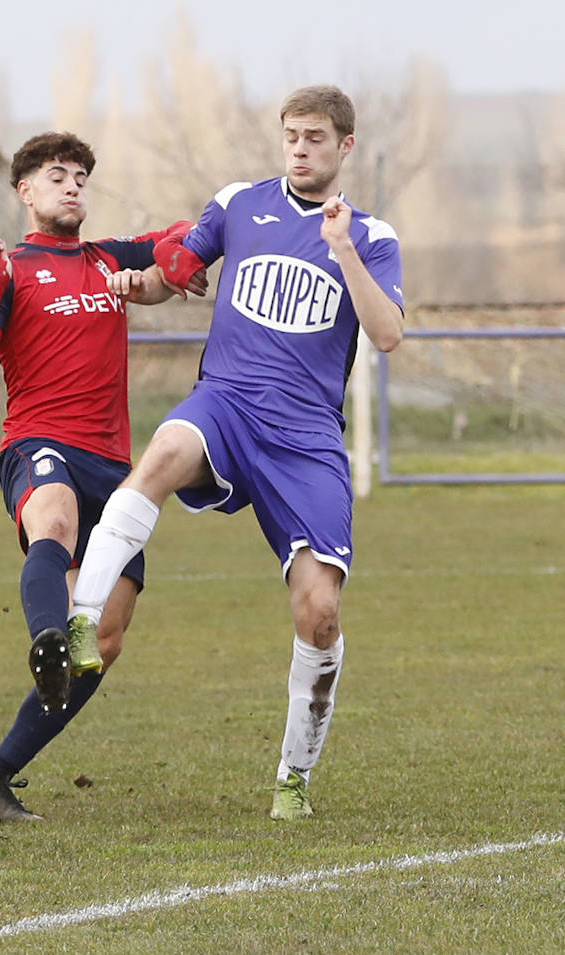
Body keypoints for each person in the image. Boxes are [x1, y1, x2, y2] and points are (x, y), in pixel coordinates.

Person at [69, 84, 405, 821]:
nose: (300, 148)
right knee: (158, 455)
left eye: (316, 137)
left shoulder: (373, 237)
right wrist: (139, 284)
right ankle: (80, 621)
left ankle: (293, 775)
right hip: (226, 401)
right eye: (291, 135)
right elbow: (175, 275)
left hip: (306, 437)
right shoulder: (237, 203)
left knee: (319, 611)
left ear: (345, 145)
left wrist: (341, 248)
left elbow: (386, 334)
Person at [0, 132, 199, 822]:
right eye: (57, 176)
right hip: (38, 443)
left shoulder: (107, 258)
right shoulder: (9, 268)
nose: (73, 187)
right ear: (24, 191)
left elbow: (189, 234)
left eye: (81, 177)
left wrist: (166, 268)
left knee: (105, 641)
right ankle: (46, 635)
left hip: (115, 469)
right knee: (51, 521)